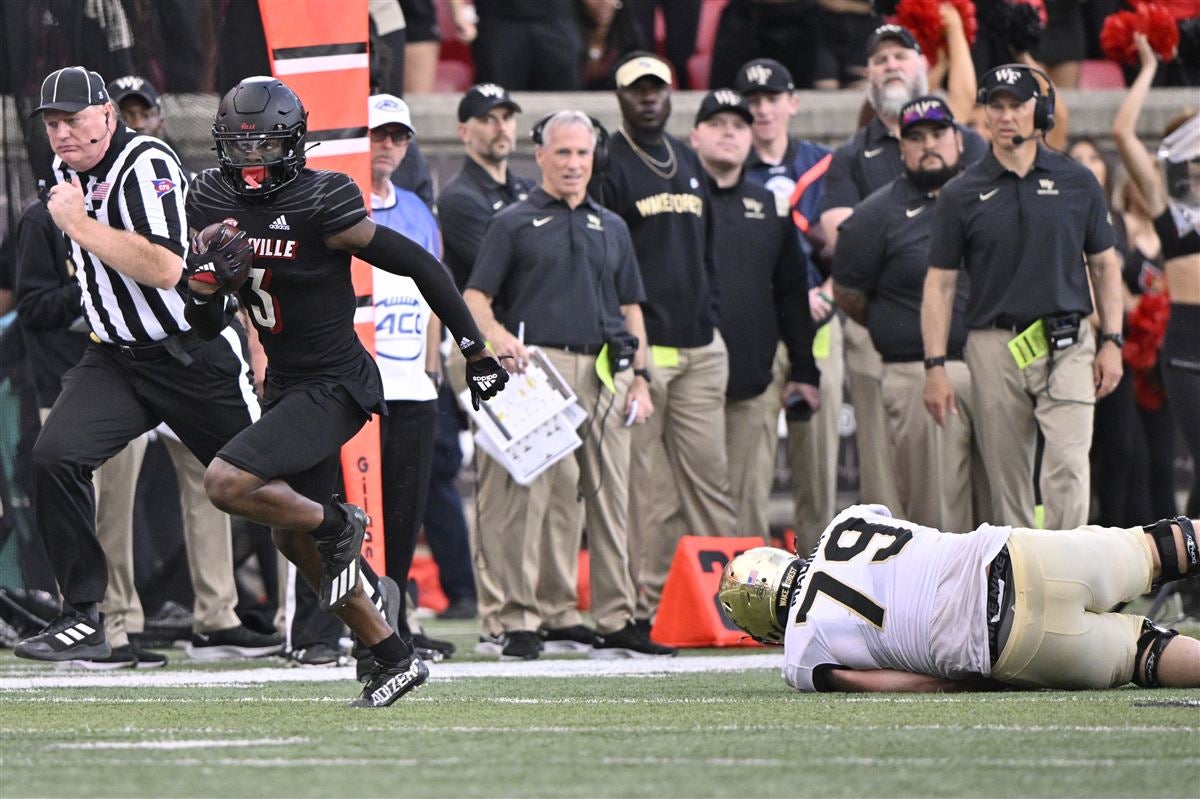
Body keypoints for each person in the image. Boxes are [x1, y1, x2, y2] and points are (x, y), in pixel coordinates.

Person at [181, 76, 508, 707]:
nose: (251, 161)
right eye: (240, 147)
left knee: (227, 483)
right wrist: (202, 285)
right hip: (284, 384)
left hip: (337, 382)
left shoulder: (321, 199)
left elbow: (420, 263)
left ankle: (341, 522)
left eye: (265, 146)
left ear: (294, 143)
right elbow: (200, 326)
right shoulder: (208, 196)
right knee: (292, 539)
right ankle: (391, 654)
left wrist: (474, 349)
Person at [11, 67, 266, 669]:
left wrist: (76, 222)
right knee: (55, 458)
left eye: (72, 119)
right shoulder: (65, 171)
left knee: (264, 483)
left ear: (106, 113)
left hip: (190, 351)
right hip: (115, 358)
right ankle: (84, 616)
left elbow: (164, 267)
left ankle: (342, 591)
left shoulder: (145, 160)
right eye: (51, 124)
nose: (62, 134)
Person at [465, 110, 672, 660]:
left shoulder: (613, 225)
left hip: (608, 369)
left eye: (583, 154)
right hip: (537, 370)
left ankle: (616, 616)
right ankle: (518, 619)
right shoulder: (512, 221)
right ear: (540, 156)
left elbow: (631, 308)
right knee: (527, 497)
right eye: (563, 153)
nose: (574, 164)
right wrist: (500, 338)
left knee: (609, 499)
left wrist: (642, 378)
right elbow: (475, 301)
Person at [922, 63, 1124, 531]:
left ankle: (1069, 581)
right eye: (997, 105)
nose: (1007, 115)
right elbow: (940, 283)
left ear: (1042, 111)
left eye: (1018, 104)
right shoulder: (960, 192)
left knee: (1069, 468)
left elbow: (1105, 264)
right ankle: (1024, 587)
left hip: (1068, 340)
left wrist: (1112, 339)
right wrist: (934, 366)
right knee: (1008, 480)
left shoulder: (1078, 180)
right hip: (994, 344)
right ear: (984, 115)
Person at [718, 505, 1200, 691]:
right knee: (1158, 547)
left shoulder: (801, 656)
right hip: (1010, 555)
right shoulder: (846, 522)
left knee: (1143, 654)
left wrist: (970, 680)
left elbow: (897, 685)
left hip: (1002, 642)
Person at [818, 23, 982, 516]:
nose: (891, 64)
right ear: (868, 74)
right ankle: (897, 581)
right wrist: (894, 308)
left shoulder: (969, 144)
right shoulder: (851, 155)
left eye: (901, 55)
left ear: (924, 68)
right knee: (889, 475)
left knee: (987, 478)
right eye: (881, 59)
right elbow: (842, 242)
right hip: (887, 340)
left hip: (974, 337)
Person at [599, 52, 736, 626]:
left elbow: (705, 252)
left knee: (713, 485)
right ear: (621, 97)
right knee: (650, 493)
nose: (648, 98)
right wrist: (628, 354)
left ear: (671, 92)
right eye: (637, 90)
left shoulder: (688, 158)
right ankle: (649, 608)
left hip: (701, 346)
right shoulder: (609, 163)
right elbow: (605, 263)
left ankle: (736, 606)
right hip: (646, 350)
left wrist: (711, 315)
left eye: (657, 88)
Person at [689, 89, 820, 539]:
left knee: (747, 502)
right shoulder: (676, 203)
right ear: (694, 137)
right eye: (718, 124)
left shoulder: (769, 206)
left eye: (740, 126)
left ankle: (744, 603)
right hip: (685, 379)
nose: (730, 133)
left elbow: (791, 292)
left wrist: (804, 368)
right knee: (680, 499)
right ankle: (679, 603)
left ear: (751, 138)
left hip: (753, 376)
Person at [435, 82, 533, 649]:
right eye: (487, 119)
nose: (501, 128)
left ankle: (532, 607)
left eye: (507, 117)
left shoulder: (520, 189)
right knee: (497, 480)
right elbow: (520, 273)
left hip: (524, 348)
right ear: (465, 130)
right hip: (481, 347)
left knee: (536, 481)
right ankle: (498, 614)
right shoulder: (461, 198)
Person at [736, 57, 842, 549]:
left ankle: (818, 578)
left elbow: (853, 242)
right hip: (754, 324)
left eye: (772, 99)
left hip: (819, 320)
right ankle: (748, 583)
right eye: (752, 102)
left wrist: (828, 291)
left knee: (817, 460)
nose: (762, 111)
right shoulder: (727, 169)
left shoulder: (826, 165)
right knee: (747, 466)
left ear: (793, 103)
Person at [1111, 34, 1200, 518]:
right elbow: (1123, 135)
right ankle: (1188, 580)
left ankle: (1190, 583)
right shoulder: (1172, 207)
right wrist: (1147, 69)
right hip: (1186, 346)